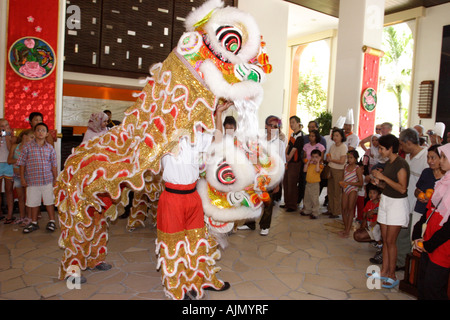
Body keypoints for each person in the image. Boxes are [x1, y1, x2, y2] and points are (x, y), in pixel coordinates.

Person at [156, 107, 230, 300]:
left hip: (193, 196)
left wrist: (219, 114)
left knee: (196, 243)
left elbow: (219, 141)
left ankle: (195, 283)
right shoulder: (165, 134)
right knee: (173, 246)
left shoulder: (198, 135)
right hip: (172, 199)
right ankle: (175, 289)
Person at [370, 134, 410, 289]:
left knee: (391, 241)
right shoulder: (389, 163)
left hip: (397, 205)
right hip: (386, 201)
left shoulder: (401, 164)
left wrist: (383, 178)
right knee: (385, 240)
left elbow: (402, 188)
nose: (379, 151)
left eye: (382, 148)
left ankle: (392, 274)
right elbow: (387, 187)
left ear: (390, 148)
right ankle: (384, 271)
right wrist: (378, 182)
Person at [412, 143, 450, 300]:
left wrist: (430, 244)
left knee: (434, 289)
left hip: (441, 246)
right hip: (429, 239)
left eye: (443, 157)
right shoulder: (444, 182)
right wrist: (417, 233)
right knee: (423, 286)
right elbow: (430, 210)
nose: (440, 161)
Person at [238, 116, 285, 235]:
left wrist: (278, 183)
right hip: (257, 175)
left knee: (267, 202)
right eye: (271, 125)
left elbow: (282, 164)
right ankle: (250, 223)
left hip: (271, 176)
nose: (273, 128)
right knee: (252, 200)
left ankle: (265, 225)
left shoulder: (280, 143)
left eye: (276, 126)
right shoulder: (260, 140)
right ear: (266, 126)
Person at [17, 123, 58, 234]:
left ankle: (52, 221)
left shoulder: (50, 148)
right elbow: (22, 163)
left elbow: (54, 165)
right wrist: (22, 178)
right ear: (34, 133)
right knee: (34, 203)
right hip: (32, 181)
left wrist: (55, 178)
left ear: (47, 134)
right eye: (38, 130)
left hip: (47, 181)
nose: (40, 132)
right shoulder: (27, 146)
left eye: (43, 130)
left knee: (49, 202)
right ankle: (34, 223)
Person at [397, 128, 428, 269]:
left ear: (408, 143)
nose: (401, 148)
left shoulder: (426, 157)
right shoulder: (408, 157)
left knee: (412, 237)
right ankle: (402, 262)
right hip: (405, 202)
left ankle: (411, 268)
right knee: (402, 235)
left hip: (418, 206)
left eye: (402, 144)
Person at [412, 145, 445, 235]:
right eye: (428, 158)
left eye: (433, 158)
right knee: (416, 239)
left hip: (436, 215)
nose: (429, 161)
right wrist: (419, 195)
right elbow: (417, 190)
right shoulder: (426, 172)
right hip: (420, 211)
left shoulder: (446, 177)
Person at [7, 129, 34, 227]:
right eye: (31, 137)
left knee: (29, 197)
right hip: (16, 176)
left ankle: (29, 217)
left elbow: (30, 163)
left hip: (27, 175)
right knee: (20, 197)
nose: (33, 140)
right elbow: (9, 160)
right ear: (24, 136)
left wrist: (20, 162)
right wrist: (21, 160)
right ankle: (22, 217)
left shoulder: (30, 148)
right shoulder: (15, 147)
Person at [281, 116, 304, 213]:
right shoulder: (292, 134)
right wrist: (285, 154)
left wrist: (288, 157)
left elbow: (295, 149)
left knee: (292, 184)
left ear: (298, 123)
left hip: (295, 163)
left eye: (293, 122)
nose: (291, 124)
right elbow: (289, 146)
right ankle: (287, 202)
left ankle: (292, 205)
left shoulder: (300, 136)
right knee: (286, 182)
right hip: (288, 162)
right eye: (290, 122)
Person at [339, 150, 363, 237]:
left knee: (350, 209)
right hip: (345, 189)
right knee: (343, 209)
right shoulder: (345, 167)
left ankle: (348, 231)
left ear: (356, 159)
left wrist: (349, 183)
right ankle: (346, 228)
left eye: (351, 158)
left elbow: (361, 183)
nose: (349, 159)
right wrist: (342, 183)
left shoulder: (357, 168)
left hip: (353, 189)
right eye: (348, 157)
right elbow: (343, 179)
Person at [326, 128, 348, 219]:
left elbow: (342, 161)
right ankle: (330, 209)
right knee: (330, 190)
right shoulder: (333, 146)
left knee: (337, 191)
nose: (335, 137)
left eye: (337, 135)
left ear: (342, 137)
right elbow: (330, 156)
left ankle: (336, 211)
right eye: (334, 135)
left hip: (339, 170)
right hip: (331, 168)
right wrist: (329, 159)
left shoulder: (343, 147)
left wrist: (331, 160)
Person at [0, 119, 15, 224]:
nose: (4, 127)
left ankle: (10, 215)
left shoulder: (11, 136)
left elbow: (11, 150)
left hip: (9, 165)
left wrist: (7, 137)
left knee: (9, 190)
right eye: (2, 126)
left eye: (6, 125)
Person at [301, 149, 323, 219]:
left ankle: (315, 212)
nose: (314, 159)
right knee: (307, 197)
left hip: (315, 184)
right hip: (308, 183)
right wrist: (308, 162)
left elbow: (317, 170)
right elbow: (304, 170)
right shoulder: (310, 164)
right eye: (313, 157)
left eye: (316, 157)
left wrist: (318, 162)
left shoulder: (320, 165)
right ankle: (307, 210)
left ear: (320, 157)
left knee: (314, 199)